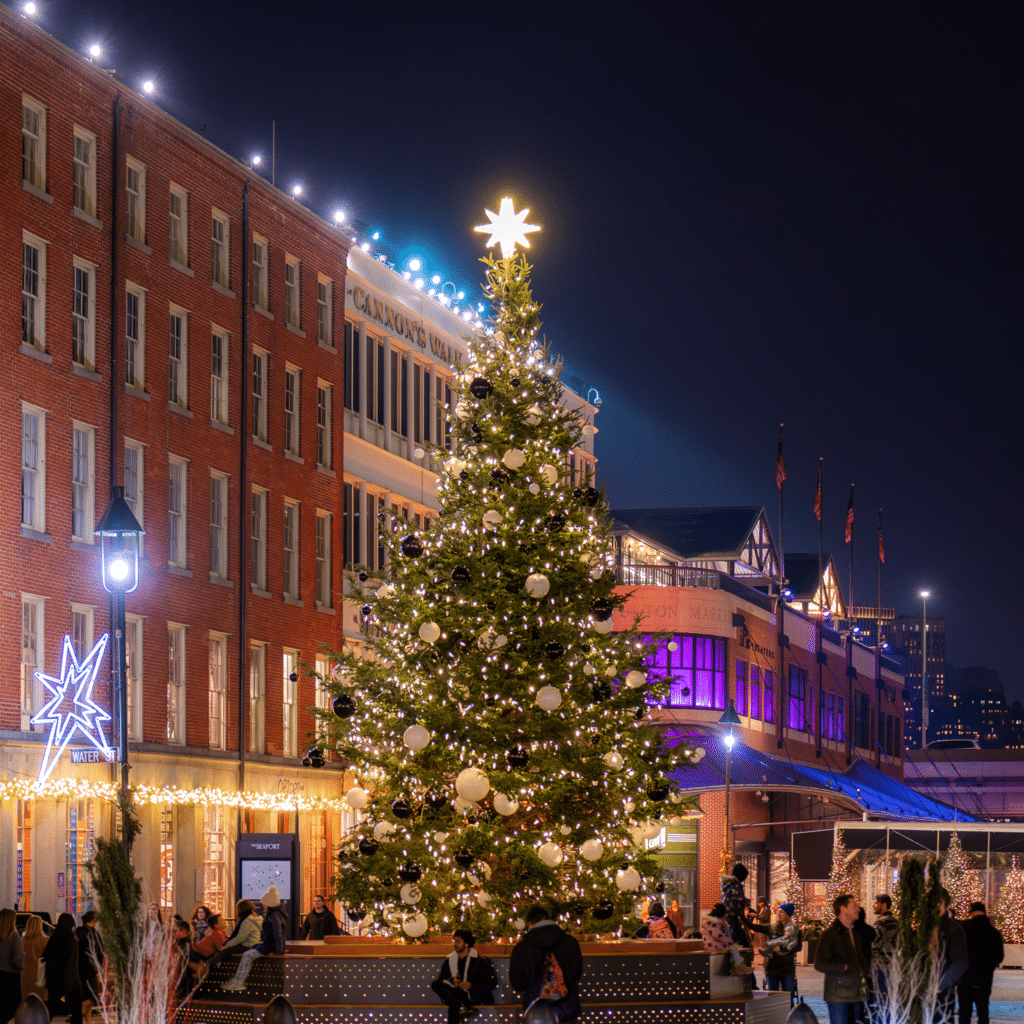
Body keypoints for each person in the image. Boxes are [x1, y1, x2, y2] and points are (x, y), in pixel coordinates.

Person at [509, 904, 583, 1023]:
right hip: (567, 1008)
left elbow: (517, 984)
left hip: (537, 1012)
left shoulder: (522, 948)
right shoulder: (571, 942)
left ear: (530, 923)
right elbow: (577, 974)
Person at [814, 894, 870, 1024]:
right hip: (838, 996)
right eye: (854, 906)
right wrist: (843, 967)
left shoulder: (854, 933)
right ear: (843, 909)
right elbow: (819, 964)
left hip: (857, 993)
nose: (858, 909)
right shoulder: (830, 935)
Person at [220, 886, 287, 991]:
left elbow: (278, 934)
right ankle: (238, 980)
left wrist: (277, 952)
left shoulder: (274, 915)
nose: (263, 905)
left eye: (264, 903)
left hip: (269, 946)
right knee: (248, 955)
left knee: (248, 955)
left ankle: (239, 981)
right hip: (268, 945)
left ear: (269, 903)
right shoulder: (272, 914)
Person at [430, 929, 498, 1024]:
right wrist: (452, 981)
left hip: (472, 995)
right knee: (436, 984)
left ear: (466, 943)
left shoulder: (480, 960)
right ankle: (459, 1005)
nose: (455, 944)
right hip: (456, 993)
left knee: (454, 1004)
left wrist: (471, 985)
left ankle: (458, 1005)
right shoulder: (449, 960)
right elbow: (442, 980)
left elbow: (491, 984)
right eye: (454, 941)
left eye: (458, 941)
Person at [956, 901, 1001, 1024]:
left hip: (965, 978)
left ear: (971, 913)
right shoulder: (994, 933)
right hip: (984, 980)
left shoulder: (962, 928)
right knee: (983, 1014)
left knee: (964, 1014)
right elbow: (999, 957)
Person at [936, 888, 968, 1024]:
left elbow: (960, 962)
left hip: (942, 992)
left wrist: (939, 985)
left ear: (943, 902)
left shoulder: (953, 928)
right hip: (922, 990)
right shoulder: (924, 928)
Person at [43, 912, 82, 1024]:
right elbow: (72, 963)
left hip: (53, 978)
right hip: (69, 979)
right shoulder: (72, 941)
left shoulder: (53, 939)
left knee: (51, 1008)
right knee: (76, 1010)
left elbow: (44, 955)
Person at [757, 902, 801, 1001]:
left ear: (786, 914)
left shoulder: (794, 929)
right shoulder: (773, 927)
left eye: (781, 912)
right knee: (772, 996)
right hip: (772, 967)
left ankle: (789, 1014)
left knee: (788, 997)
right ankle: (775, 1016)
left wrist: (781, 948)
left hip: (787, 968)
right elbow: (754, 927)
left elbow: (798, 947)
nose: (778, 914)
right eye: (778, 912)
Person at [206, 900, 263, 969]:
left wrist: (227, 945)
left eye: (237, 909)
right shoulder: (255, 917)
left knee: (225, 951)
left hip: (247, 946)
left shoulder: (247, 921)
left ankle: (206, 965)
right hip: (253, 944)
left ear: (241, 909)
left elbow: (239, 938)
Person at [701, 903, 754, 976]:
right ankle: (739, 966)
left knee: (732, 949)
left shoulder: (711, 922)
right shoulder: (713, 923)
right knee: (733, 949)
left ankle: (736, 967)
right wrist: (730, 942)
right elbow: (720, 935)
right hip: (714, 945)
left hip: (713, 944)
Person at [76, 910, 104, 1024]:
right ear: (93, 921)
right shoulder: (94, 933)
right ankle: (79, 1013)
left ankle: (87, 1021)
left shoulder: (77, 931)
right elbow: (101, 952)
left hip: (78, 969)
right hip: (91, 969)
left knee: (84, 995)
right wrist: (98, 968)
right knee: (92, 997)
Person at [0, 908, 25, 1024]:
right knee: (13, 1006)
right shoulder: (14, 936)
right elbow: (17, 959)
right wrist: (22, 964)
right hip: (12, 976)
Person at [871, 895, 898, 1002]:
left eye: (876, 903)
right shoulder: (895, 921)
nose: (874, 905)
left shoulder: (880, 922)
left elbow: (875, 944)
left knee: (881, 999)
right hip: (893, 965)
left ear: (884, 905)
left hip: (881, 966)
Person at [720, 863, 752, 947]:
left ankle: (728, 943)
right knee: (735, 928)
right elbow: (740, 897)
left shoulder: (727, 884)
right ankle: (733, 945)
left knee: (730, 927)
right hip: (734, 910)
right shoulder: (736, 885)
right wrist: (747, 902)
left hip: (725, 910)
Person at [20, 914, 47, 1002]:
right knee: (40, 1002)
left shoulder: (22, 941)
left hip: (25, 974)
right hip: (40, 975)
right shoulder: (45, 940)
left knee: (27, 1001)